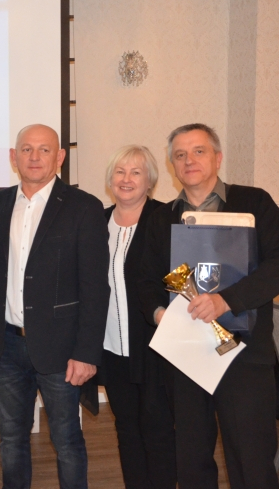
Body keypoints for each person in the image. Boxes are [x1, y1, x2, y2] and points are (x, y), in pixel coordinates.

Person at [138, 123, 279, 489]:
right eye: (180, 155)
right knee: (191, 459)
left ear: (218, 157)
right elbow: (147, 281)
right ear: (172, 165)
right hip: (186, 355)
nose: (189, 160)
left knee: (251, 460)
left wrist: (225, 300)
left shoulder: (254, 203)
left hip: (245, 354)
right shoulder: (161, 218)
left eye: (198, 151)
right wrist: (162, 314)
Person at [0, 124, 110, 489]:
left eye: (44, 150)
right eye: (26, 149)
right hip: (7, 346)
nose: (34, 157)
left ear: (59, 157)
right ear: (13, 157)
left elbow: (96, 289)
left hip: (62, 350)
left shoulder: (84, 207)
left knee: (67, 441)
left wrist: (86, 353)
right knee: (11, 439)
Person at [98, 145, 176, 489]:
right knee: (126, 428)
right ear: (110, 179)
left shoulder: (166, 219)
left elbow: (179, 277)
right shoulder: (97, 222)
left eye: (135, 172)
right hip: (111, 348)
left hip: (153, 346)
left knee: (157, 430)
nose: (126, 179)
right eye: (120, 171)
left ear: (150, 181)